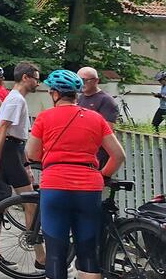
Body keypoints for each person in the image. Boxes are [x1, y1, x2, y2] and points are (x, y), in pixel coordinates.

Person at [27, 70, 125, 279]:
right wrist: (103, 175)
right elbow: (118, 155)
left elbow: (32, 153)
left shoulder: (45, 117)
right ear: (76, 94)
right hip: (88, 188)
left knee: (55, 254)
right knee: (88, 252)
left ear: (55, 94)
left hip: (55, 186)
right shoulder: (96, 118)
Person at [0, 61, 42, 270]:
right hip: (9, 152)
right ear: (26, 77)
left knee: (0, 203)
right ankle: (41, 258)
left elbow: (15, 135)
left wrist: (25, 164)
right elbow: (1, 129)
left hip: (13, 152)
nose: (38, 82)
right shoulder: (16, 99)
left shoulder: (15, 98)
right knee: (31, 204)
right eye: (36, 78)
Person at [76, 66, 117, 167]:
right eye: (78, 80)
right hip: (81, 151)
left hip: (98, 154)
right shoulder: (80, 98)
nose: (82, 83)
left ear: (96, 81)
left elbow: (108, 130)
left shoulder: (106, 100)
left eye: (85, 80)